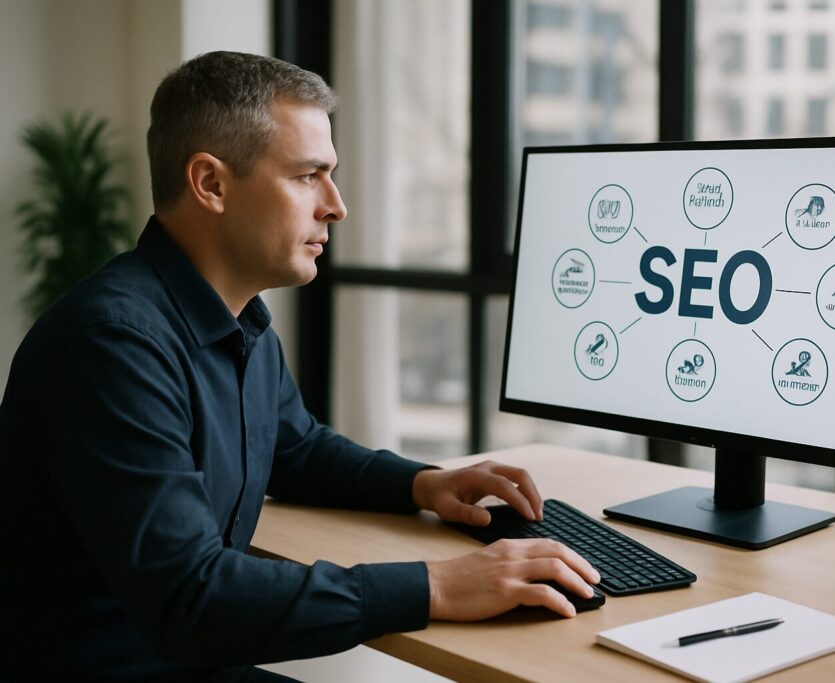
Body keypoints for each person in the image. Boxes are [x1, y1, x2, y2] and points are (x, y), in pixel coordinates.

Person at [0, 51, 599, 682]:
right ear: (211, 184)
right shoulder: (113, 347)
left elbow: (296, 448)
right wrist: (438, 585)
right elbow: (191, 597)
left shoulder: (240, 320)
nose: (336, 205)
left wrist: (424, 485)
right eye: (308, 175)